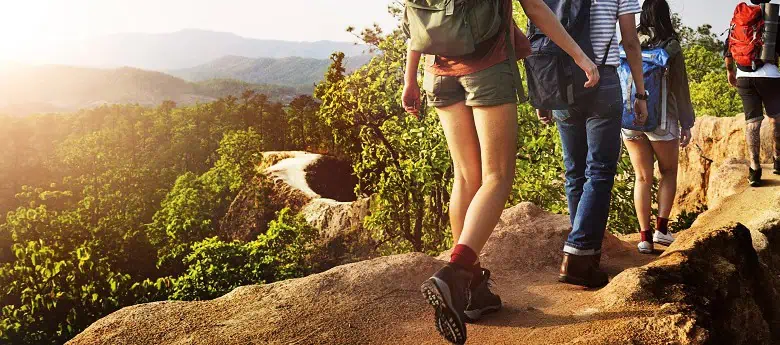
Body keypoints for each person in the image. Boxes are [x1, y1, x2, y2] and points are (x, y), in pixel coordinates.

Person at [402, 0, 599, 343]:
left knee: (465, 177)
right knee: (497, 176)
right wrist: (580, 57)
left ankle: (473, 290)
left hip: (435, 70)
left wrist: (410, 79)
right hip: (487, 69)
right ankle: (456, 272)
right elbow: (536, 8)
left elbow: (417, 18)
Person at [537, 0, 647, 288]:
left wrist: (544, 92)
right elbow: (631, 41)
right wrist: (641, 92)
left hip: (561, 78)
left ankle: (586, 252)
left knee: (575, 171)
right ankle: (578, 253)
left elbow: (542, 26)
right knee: (598, 170)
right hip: (602, 79)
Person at [622, 0, 695, 254]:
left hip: (630, 120)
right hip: (662, 120)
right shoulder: (671, 45)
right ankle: (662, 230)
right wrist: (687, 122)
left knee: (641, 176)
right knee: (668, 172)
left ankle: (644, 238)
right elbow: (680, 88)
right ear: (665, 16)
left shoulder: (628, 41)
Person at [725, 0, 780, 187]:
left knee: (752, 123)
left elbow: (728, 49)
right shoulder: (774, 19)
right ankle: (778, 160)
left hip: (743, 76)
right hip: (770, 76)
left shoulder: (739, 19)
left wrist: (730, 72)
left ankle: (755, 170)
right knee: (776, 118)